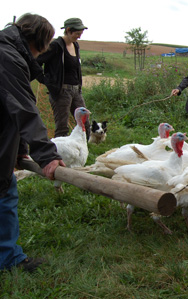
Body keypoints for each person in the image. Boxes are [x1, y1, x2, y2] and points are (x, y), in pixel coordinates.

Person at [0, 13, 66, 273]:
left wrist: (20, 151)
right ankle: (8, 260)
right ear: (38, 41)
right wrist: (47, 156)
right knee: (5, 192)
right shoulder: (8, 58)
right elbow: (24, 109)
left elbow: (6, 112)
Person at [36, 17, 90, 140]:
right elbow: (36, 62)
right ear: (68, 30)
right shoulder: (55, 46)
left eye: (80, 34)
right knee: (62, 126)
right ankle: (59, 154)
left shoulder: (76, 45)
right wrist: (45, 80)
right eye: (77, 34)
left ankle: (84, 150)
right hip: (61, 91)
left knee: (85, 121)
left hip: (76, 90)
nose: (79, 37)